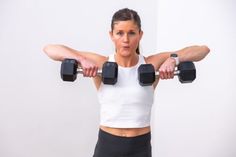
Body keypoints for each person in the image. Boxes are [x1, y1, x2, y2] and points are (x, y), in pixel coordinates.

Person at [43, 8, 210, 157]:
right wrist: (81, 60)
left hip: (140, 147)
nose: (125, 39)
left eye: (131, 33)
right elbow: (50, 49)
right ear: (111, 35)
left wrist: (174, 59)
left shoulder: (151, 64)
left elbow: (203, 50)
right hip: (108, 146)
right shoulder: (100, 63)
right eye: (120, 33)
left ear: (140, 35)